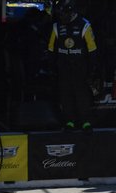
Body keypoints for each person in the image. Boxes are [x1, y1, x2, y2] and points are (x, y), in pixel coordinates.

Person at [48, 0, 98, 131]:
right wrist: (52, 67)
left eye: (63, 14)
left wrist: (92, 70)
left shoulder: (84, 25)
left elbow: (92, 50)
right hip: (63, 67)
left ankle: (86, 122)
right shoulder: (56, 27)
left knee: (81, 94)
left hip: (80, 67)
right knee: (65, 94)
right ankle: (69, 122)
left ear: (71, 12)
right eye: (59, 14)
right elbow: (51, 49)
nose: (60, 17)